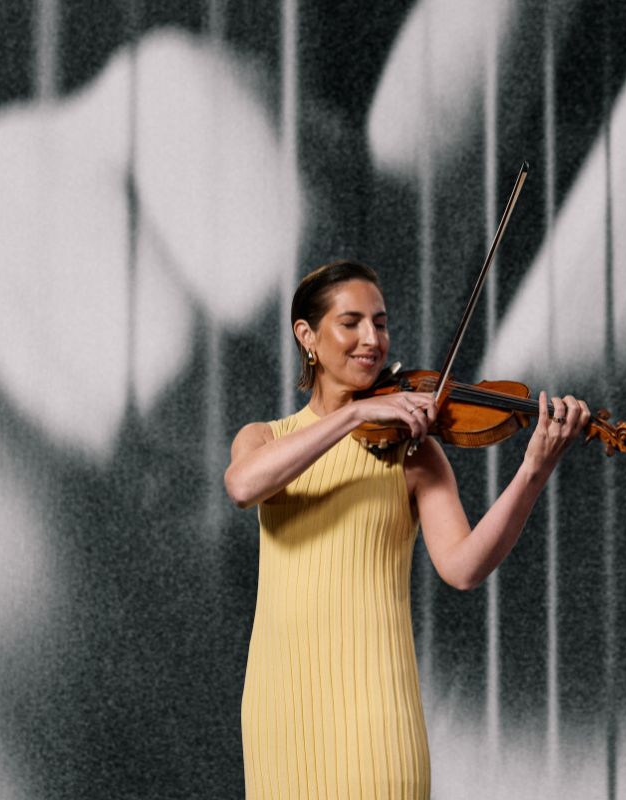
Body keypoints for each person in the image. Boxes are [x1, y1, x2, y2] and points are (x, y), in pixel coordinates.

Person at [224, 259, 590, 799]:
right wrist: (351, 416)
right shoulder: (263, 438)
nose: (372, 339)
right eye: (351, 323)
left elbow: (463, 568)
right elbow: (242, 485)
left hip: (377, 706)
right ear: (307, 336)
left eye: (381, 323)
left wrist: (533, 471)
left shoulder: (414, 453)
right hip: (281, 703)